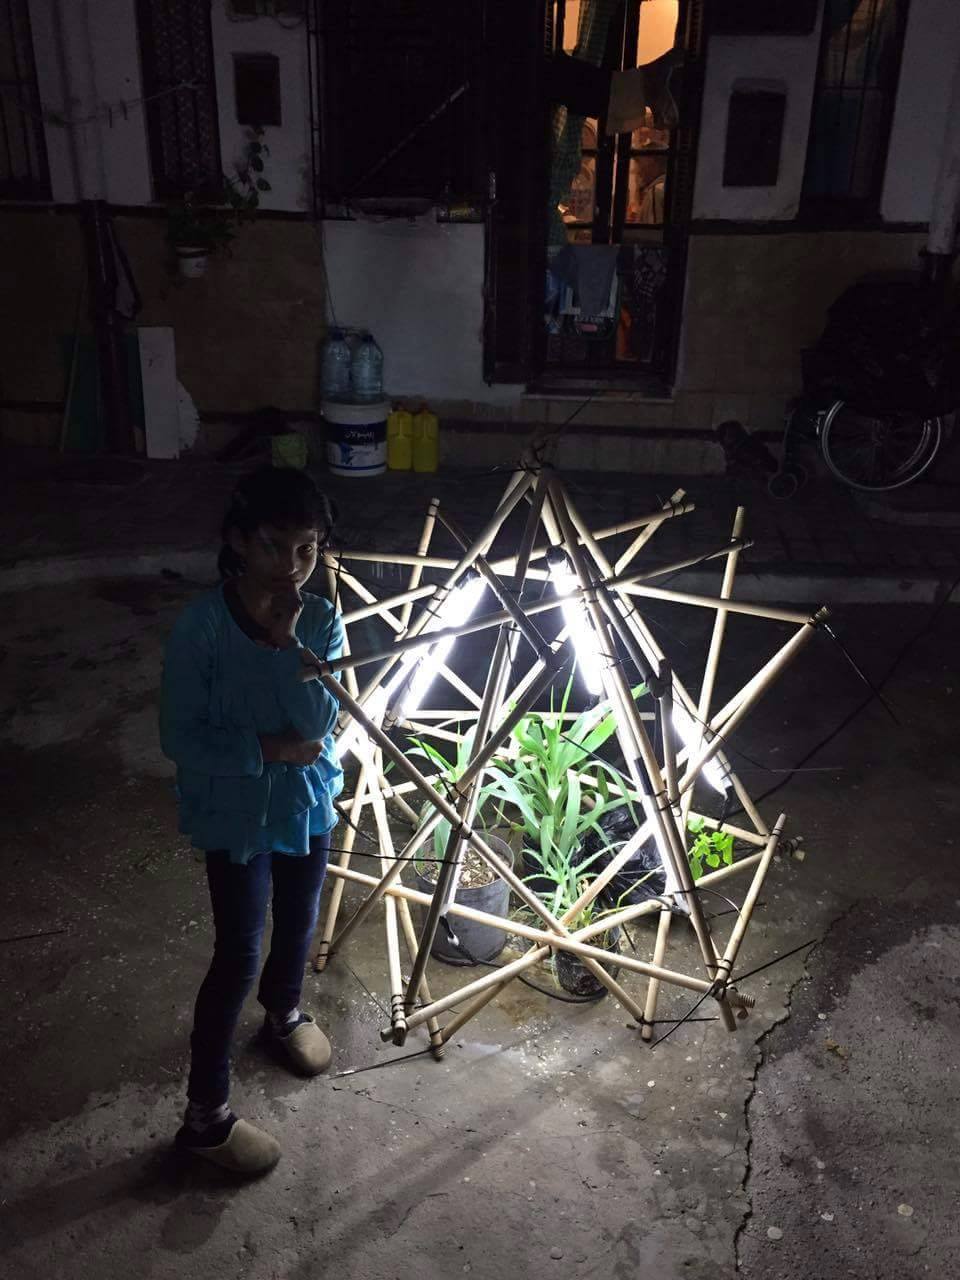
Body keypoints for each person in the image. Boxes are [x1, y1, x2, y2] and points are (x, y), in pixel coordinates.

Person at [159, 466, 344, 1176]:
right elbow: (181, 736)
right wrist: (268, 750)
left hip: (305, 803)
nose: (290, 567)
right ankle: (205, 1121)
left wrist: (284, 642)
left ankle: (284, 1014)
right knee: (237, 951)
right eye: (273, 546)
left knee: (299, 919)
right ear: (237, 540)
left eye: (306, 550)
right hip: (235, 815)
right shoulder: (203, 627)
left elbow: (318, 723)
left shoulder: (318, 619)